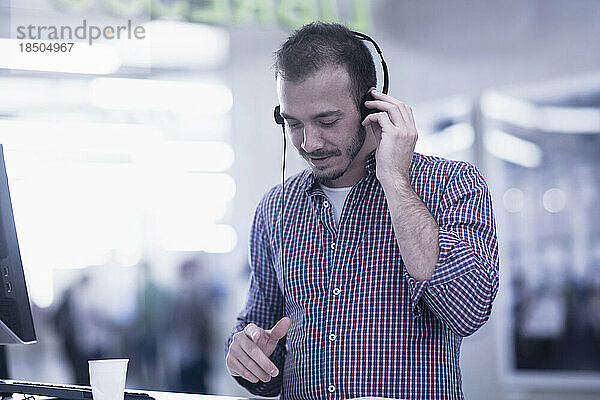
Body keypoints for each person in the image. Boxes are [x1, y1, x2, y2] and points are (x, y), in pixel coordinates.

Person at [225, 22, 499, 399]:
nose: (310, 143)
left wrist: (395, 181)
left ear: (372, 106)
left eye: (327, 121)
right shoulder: (276, 209)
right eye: (293, 124)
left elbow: (467, 312)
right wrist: (249, 357)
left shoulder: (452, 184)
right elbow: (261, 335)